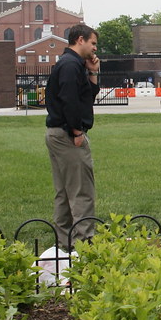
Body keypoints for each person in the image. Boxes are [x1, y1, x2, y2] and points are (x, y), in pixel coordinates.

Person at [44, 23, 101, 249]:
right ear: (80, 40)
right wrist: (77, 132)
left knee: (64, 193)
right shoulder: (70, 65)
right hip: (68, 135)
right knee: (81, 193)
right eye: (93, 43)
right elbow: (70, 100)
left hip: (58, 134)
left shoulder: (73, 64)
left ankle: (64, 246)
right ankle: (83, 246)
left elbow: (87, 96)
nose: (95, 48)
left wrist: (92, 72)